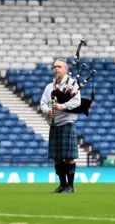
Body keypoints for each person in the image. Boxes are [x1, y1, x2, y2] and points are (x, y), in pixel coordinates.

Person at [40, 59, 81, 193]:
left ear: (65, 69)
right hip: (54, 123)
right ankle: (62, 185)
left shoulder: (72, 85)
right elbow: (43, 103)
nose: (56, 69)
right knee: (57, 157)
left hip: (67, 122)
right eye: (55, 67)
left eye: (59, 66)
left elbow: (77, 102)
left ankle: (70, 186)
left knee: (68, 157)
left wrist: (62, 106)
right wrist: (48, 110)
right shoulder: (49, 87)